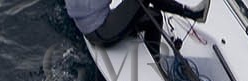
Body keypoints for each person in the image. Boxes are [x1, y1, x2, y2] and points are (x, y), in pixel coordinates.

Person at [66, 0, 210, 49]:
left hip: (98, 24)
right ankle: (193, 14)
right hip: (101, 31)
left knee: (154, 17)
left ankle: (155, 63)